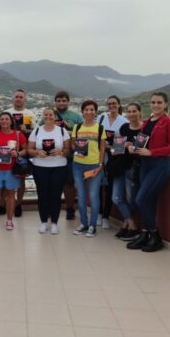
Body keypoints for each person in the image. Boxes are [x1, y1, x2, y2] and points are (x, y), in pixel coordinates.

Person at [127, 92, 170, 252]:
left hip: (160, 165)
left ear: (165, 104)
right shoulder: (147, 122)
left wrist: (152, 152)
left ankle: (155, 236)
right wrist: (133, 147)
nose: (156, 105)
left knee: (141, 199)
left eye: (159, 102)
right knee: (147, 201)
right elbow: (141, 143)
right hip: (145, 165)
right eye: (153, 102)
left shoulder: (168, 122)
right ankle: (145, 234)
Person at [27, 108, 71, 234]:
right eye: (45, 115)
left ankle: (55, 223)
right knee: (42, 195)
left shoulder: (62, 131)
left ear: (55, 116)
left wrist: (61, 151)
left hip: (59, 167)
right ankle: (43, 222)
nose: (48, 117)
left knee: (56, 196)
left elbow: (68, 149)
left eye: (51, 115)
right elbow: (29, 149)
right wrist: (37, 152)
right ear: (42, 116)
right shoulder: (36, 131)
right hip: (40, 167)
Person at [0, 112, 27, 230]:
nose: (4, 121)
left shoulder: (18, 134)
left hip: (11, 169)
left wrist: (17, 153)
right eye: (2, 119)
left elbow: (26, 149)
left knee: (11, 194)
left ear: (11, 121)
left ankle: (9, 220)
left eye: (7, 119)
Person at [71, 100, 106, 238]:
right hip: (78, 164)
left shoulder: (100, 128)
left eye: (92, 109)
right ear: (82, 111)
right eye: (86, 109)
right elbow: (73, 145)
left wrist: (100, 164)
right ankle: (83, 223)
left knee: (93, 195)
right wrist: (77, 149)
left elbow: (102, 148)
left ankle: (92, 226)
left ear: (95, 112)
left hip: (94, 165)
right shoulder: (77, 127)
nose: (89, 112)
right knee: (81, 195)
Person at [97, 95, 129, 229]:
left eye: (114, 103)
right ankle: (98, 213)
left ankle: (106, 216)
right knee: (98, 185)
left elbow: (124, 140)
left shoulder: (124, 121)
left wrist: (112, 147)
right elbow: (96, 136)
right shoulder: (101, 118)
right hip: (99, 155)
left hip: (114, 157)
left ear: (119, 104)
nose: (111, 106)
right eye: (109, 104)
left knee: (109, 187)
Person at [4, 89, 37, 217]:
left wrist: (26, 130)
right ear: (13, 98)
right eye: (16, 96)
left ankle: (18, 204)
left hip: (23, 149)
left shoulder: (30, 114)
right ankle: (5, 204)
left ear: (25, 99)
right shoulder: (7, 113)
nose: (18, 99)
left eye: (21, 97)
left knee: (21, 178)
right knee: (6, 176)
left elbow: (35, 132)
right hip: (7, 149)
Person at [112, 103, 142, 241]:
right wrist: (121, 146)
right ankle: (133, 225)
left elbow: (143, 150)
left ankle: (126, 225)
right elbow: (116, 150)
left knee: (131, 199)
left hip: (134, 168)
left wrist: (133, 147)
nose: (131, 114)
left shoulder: (143, 129)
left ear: (139, 112)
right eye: (129, 112)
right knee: (116, 197)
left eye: (134, 111)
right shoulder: (123, 128)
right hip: (121, 166)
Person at [53, 91, 83, 220]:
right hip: (53, 154)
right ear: (55, 102)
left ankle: (70, 209)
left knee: (69, 183)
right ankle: (52, 208)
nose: (61, 103)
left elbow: (83, 132)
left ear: (68, 102)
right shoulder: (50, 116)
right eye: (58, 100)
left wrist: (70, 132)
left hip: (70, 154)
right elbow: (40, 130)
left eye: (64, 100)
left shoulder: (76, 117)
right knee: (53, 183)